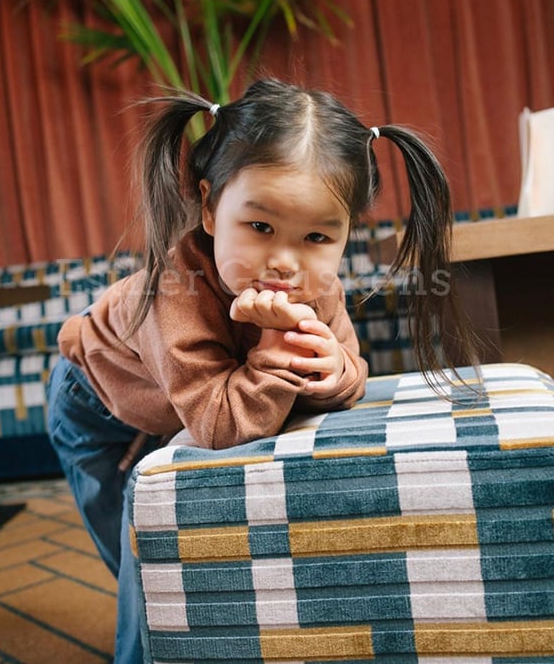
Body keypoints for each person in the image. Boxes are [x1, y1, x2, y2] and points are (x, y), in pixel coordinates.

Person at [47, 78, 476, 663]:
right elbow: (218, 424)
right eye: (261, 226)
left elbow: (349, 365)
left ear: (345, 233)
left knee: (166, 565)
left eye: (318, 236)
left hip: (184, 401)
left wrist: (333, 371)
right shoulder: (171, 294)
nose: (285, 261)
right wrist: (277, 350)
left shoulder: (313, 284)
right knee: (144, 563)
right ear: (208, 204)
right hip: (96, 408)